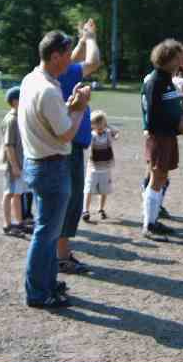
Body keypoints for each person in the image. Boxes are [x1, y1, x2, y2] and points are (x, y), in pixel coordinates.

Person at [19, 30, 90, 309]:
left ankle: (47, 284)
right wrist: (79, 108)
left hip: (37, 162)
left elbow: (50, 120)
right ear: (56, 56)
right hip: (51, 166)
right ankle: (38, 292)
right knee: (46, 234)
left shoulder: (32, 79)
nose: (71, 60)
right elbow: (66, 134)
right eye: (68, 55)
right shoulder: (48, 89)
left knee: (48, 231)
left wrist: (68, 106)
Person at [56, 18, 101, 274]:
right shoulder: (67, 73)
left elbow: (74, 59)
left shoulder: (59, 72)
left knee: (67, 200)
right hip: (69, 146)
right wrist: (91, 38)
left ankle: (61, 253)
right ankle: (61, 256)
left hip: (68, 144)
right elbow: (93, 62)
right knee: (70, 201)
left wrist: (83, 40)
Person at [140, 39, 183, 241]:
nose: (181, 63)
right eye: (178, 59)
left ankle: (153, 220)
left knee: (161, 179)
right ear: (167, 59)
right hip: (159, 136)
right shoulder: (156, 81)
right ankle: (149, 225)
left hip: (167, 135)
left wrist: (181, 117)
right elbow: (153, 116)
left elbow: (169, 108)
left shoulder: (166, 80)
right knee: (156, 179)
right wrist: (177, 125)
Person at [0, 86, 29, 238]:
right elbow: (9, 145)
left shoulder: (18, 118)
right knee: (9, 193)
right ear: (15, 101)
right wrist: (15, 166)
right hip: (12, 164)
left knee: (17, 193)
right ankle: (7, 225)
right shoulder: (11, 120)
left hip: (19, 163)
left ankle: (19, 222)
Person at [82, 110, 119, 222]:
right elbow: (86, 142)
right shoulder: (92, 135)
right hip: (93, 168)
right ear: (92, 125)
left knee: (104, 190)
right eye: (96, 124)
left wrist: (107, 125)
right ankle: (85, 210)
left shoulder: (108, 134)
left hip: (106, 168)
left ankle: (101, 209)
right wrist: (90, 127)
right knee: (88, 189)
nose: (99, 126)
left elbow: (117, 133)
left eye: (102, 123)